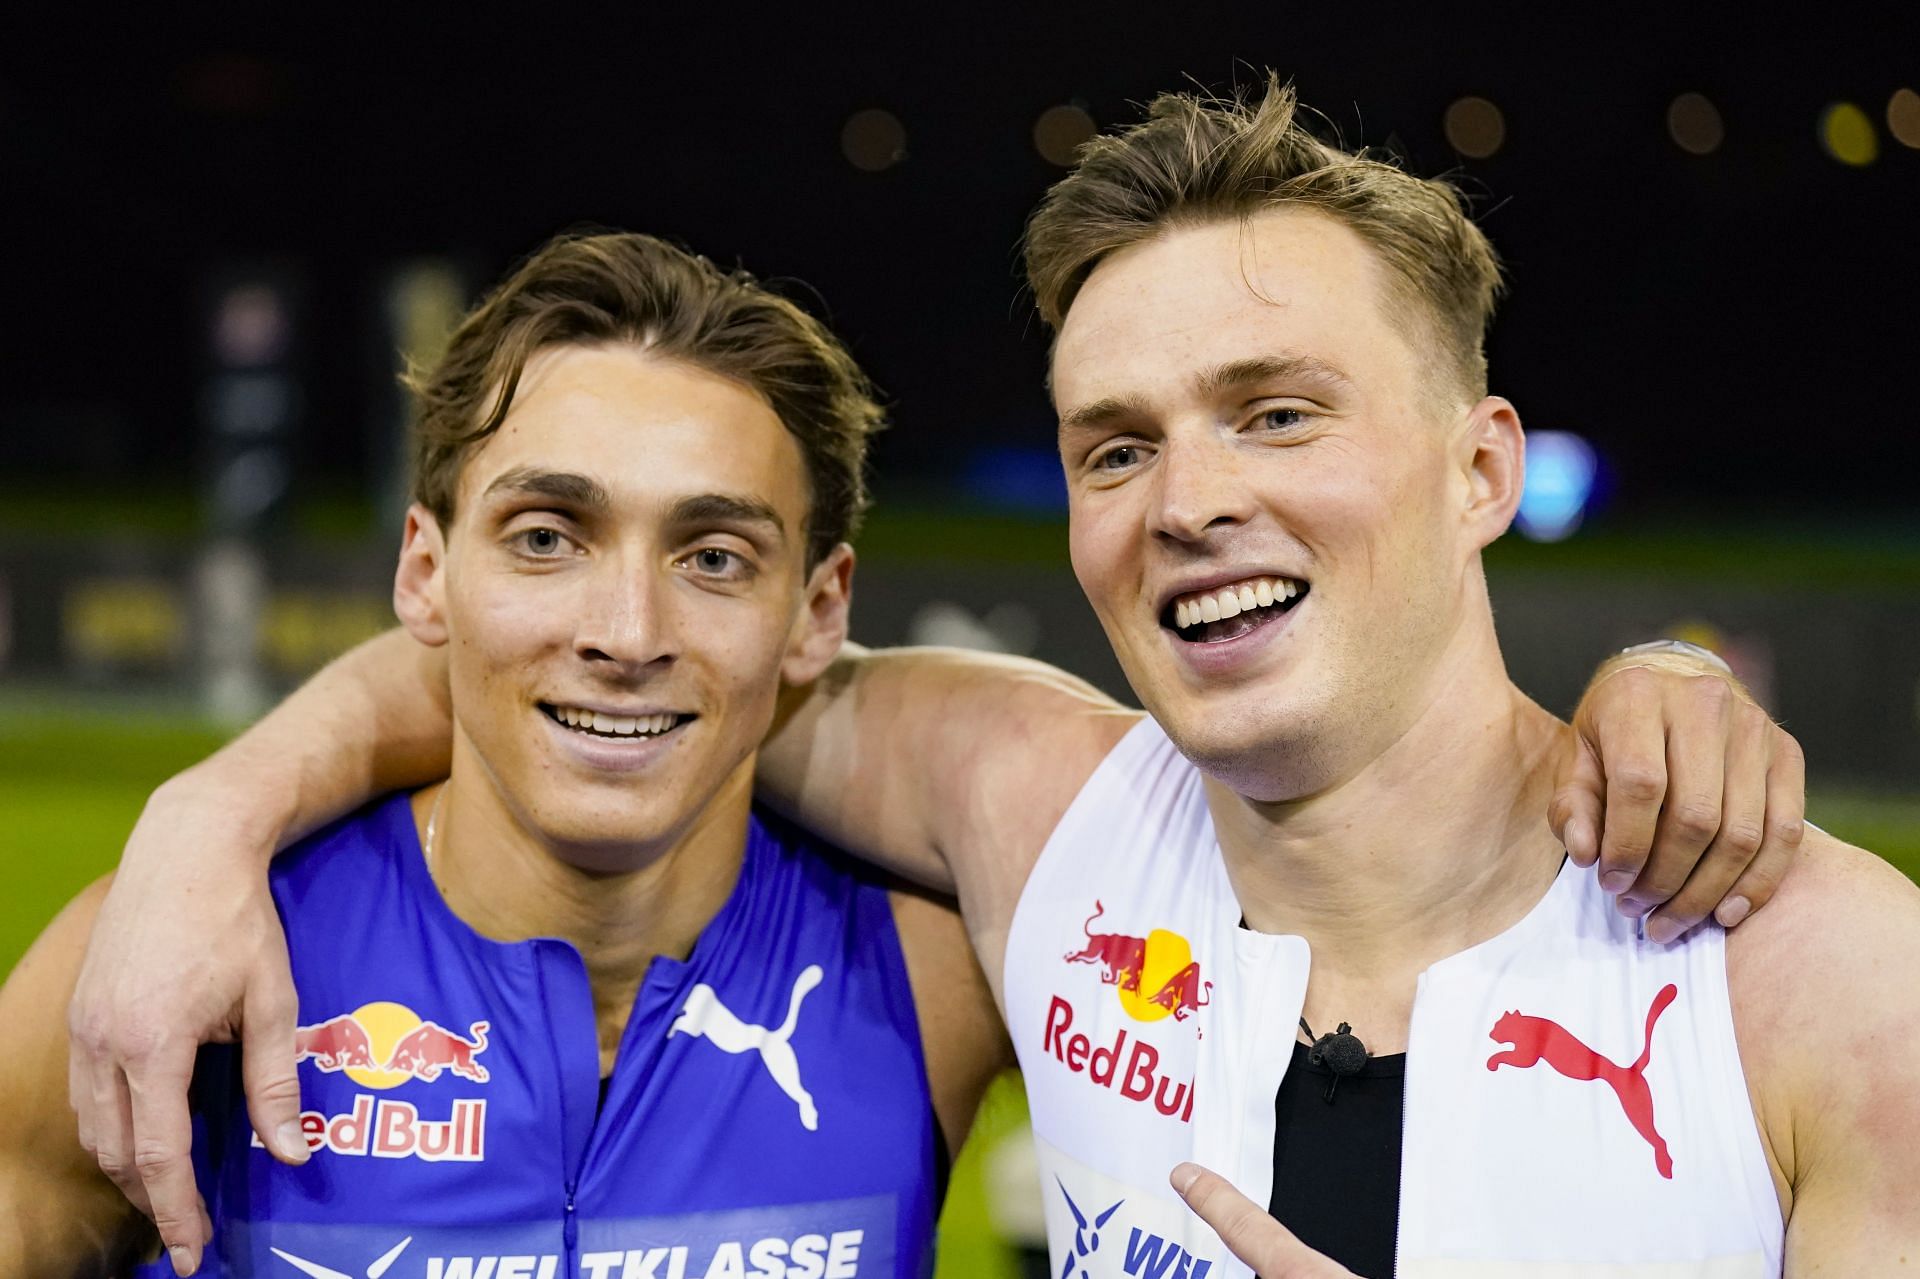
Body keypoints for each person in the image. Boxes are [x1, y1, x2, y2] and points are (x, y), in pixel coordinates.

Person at [62, 84, 1830, 1276]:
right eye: (1116, 443)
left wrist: (1664, 674)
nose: (1196, 496)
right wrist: (212, 805)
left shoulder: (1827, 994)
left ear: (1483, 468)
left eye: (1278, 410)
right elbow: (582, 670)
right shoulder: (1041, 826)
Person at [1, 232, 1013, 1276]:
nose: (626, 632)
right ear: (425, 573)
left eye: (714, 557)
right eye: (545, 537)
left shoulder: (942, 980)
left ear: (818, 610)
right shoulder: (168, 969)